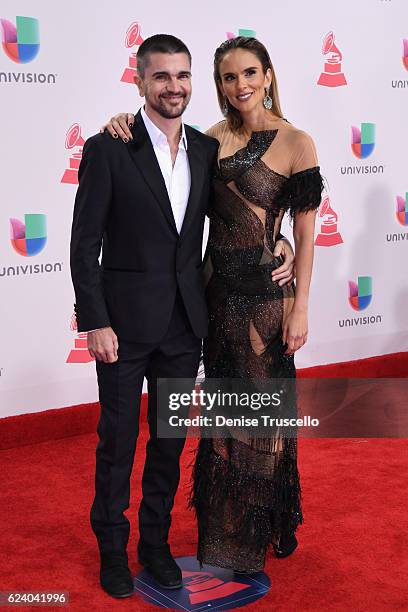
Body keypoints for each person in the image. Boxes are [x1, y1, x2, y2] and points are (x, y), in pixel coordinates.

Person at [71, 34, 295, 598]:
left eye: (183, 76)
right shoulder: (108, 147)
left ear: (193, 82)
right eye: (161, 77)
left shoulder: (204, 149)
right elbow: (83, 244)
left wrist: (284, 246)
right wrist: (94, 321)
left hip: (183, 325)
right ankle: (111, 549)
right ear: (141, 82)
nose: (174, 87)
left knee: (168, 445)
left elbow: (241, 215)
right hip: (120, 329)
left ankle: (153, 545)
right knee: (117, 442)